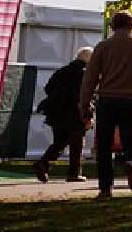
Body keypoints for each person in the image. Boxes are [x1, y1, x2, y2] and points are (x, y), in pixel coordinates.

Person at [79, 12, 132, 199]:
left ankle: (105, 188)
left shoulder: (103, 46)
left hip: (107, 99)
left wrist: (84, 105)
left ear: (112, 26)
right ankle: (131, 162)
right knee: (131, 140)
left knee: (104, 145)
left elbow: (90, 78)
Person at [32, 48, 94, 183]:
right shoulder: (85, 73)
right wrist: (88, 115)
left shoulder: (62, 71)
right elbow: (85, 96)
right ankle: (73, 173)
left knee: (59, 142)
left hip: (56, 112)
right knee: (77, 143)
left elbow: (48, 88)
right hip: (75, 113)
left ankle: (43, 164)